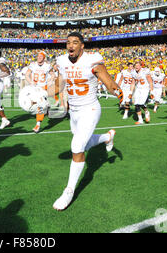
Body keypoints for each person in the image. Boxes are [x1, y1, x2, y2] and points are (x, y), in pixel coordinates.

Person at [48, 32, 123, 211]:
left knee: (76, 146)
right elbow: (59, 85)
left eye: (75, 42)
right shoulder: (63, 62)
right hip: (74, 111)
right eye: (68, 43)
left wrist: (120, 94)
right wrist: (41, 94)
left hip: (90, 109)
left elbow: (108, 82)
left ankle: (69, 191)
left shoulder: (93, 61)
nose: (70, 45)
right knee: (84, 143)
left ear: (82, 46)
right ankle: (107, 137)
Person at [25, 51, 53, 133]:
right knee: (32, 103)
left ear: (44, 58)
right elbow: (27, 74)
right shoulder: (33, 65)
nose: (39, 57)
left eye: (41, 56)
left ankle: (38, 125)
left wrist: (50, 80)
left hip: (43, 88)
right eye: (38, 56)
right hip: (34, 88)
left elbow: (53, 75)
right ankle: (47, 106)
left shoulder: (47, 66)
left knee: (39, 106)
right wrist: (30, 82)